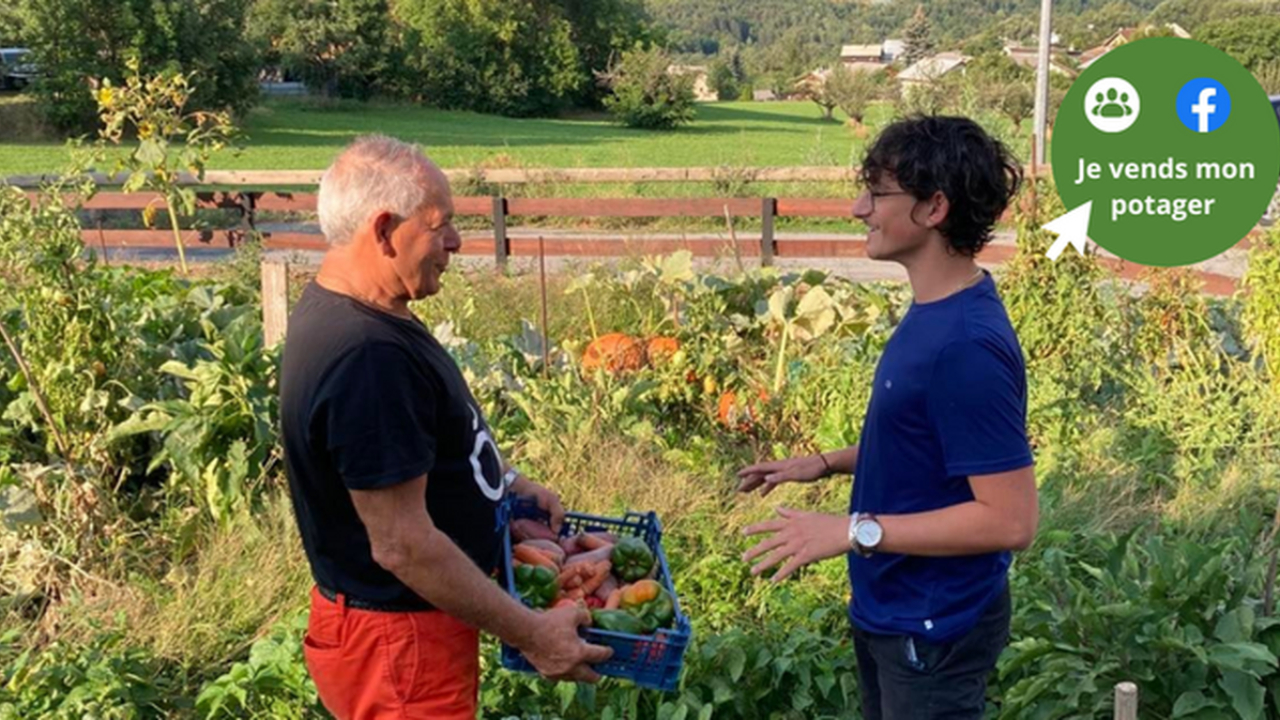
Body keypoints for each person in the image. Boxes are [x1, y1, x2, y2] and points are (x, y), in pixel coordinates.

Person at [279, 135, 610, 720]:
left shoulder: (372, 309)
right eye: (441, 225)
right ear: (384, 230)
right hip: (398, 643)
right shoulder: (364, 356)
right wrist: (535, 635)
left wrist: (506, 482)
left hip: (411, 631)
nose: (456, 242)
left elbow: (423, 443)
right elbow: (403, 545)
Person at [737, 116, 1038, 720]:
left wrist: (852, 530)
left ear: (933, 208)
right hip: (895, 606)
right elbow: (928, 445)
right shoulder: (937, 310)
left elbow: (1010, 521)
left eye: (877, 193)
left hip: (932, 625)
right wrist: (826, 464)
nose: (858, 208)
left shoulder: (964, 346)